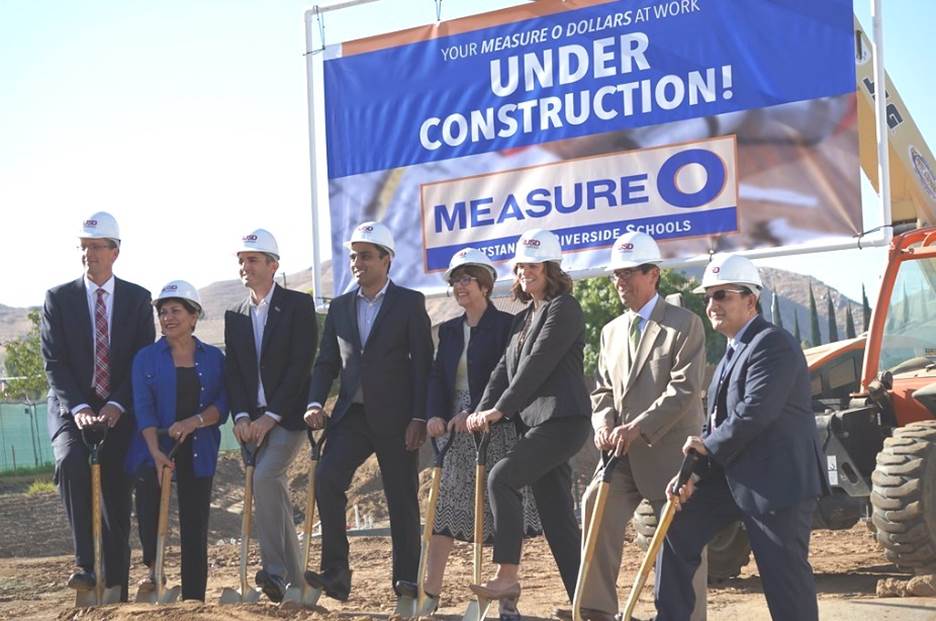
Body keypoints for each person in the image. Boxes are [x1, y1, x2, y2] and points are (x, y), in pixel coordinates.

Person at [655, 254, 828, 621]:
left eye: (722, 295)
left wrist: (707, 446)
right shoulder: (732, 351)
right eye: (707, 297)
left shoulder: (773, 344)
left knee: (784, 579)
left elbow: (755, 412)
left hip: (775, 482)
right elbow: (716, 422)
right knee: (676, 529)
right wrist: (691, 474)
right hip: (731, 477)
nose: (711, 305)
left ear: (751, 300)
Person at [570, 232, 708, 621]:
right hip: (620, 456)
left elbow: (683, 390)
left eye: (629, 274)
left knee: (683, 538)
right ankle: (595, 608)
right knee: (595, 502)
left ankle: (687, 616)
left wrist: (637, 427)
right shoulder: (610, 332)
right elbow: (601, 390)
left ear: (654, 275)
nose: (620, 283)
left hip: (670, 456)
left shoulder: (685, 325)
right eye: (616, 275)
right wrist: (603, 423)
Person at [304, 221, 433, 605]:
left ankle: (407, 580)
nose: (356, 262)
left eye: (364, 255)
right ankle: (336, 574)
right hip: (352, 417)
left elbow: (423, 364)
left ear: (386, 260)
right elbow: (326, 362)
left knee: (401, 498)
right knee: (326, 478)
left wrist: (420, 417)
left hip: (397, 419)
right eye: (353, 255)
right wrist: (314, 402)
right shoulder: (341, 307)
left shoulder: (410, 302)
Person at [465, 228, 591, 610]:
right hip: (537, 425)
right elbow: (503, 369)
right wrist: (480, 410)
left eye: (533, 265)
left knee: (502, 477)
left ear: (550, 268)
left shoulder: (563, 308)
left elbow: (537, 366)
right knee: (558, 521)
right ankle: (591, 603)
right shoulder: (523, 319)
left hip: (564, 420)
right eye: (520, 266)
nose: (525, 272)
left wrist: (500, 410)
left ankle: (507, 578)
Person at [417, 248, 542, 615]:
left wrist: (479, 411)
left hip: (495, 428)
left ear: (485, 285)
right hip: (454, 433)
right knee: (443, 509)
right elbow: (437, 377)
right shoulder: (450, 330)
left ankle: (505, 601)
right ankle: (430, 595)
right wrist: (434, 416)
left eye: (466, 279)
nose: (459, 286)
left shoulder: (507, 325)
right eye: (454, 280)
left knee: (500, 513)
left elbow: (508, 377)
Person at [40, 212, 155, 600]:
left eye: (96, 247)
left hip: (119, 411)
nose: (89, 254)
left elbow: (141, 359)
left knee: (117, 493)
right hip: (71, 408)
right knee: (72, 462)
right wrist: (79, 408)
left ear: (115, 252)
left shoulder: (138, 300)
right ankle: (85, 565)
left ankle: (117, 586)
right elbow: (54, 362)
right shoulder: (59, 299)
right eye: (84, 246)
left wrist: (119, 403)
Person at [223, 228, 318, 602]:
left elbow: (300, 366)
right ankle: (299, 582)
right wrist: (243, 415)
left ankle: (274, 572)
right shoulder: (235, 314)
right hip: (253, 419)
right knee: (272, 489)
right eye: (242, 260)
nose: (245, 266)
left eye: (253, 260)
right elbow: (235, 372)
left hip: (289, 417)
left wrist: (271, 416)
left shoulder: (297, 305)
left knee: (265, 476)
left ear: (273, 265)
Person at [127, 280, 228, 601]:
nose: (168, 318)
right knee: (147, 506)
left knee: (195, 522)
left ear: (194, 316)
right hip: (154, 447)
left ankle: (194, 598)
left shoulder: (214, 358)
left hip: (198, 447)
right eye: (163, 312)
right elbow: (142, 407)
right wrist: (156, 451)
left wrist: (194, 421)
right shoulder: (146, 358)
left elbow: (223, 403)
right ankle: (154, 571)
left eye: (176, 311)